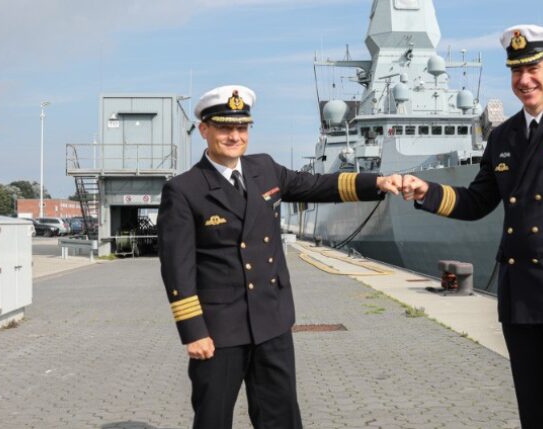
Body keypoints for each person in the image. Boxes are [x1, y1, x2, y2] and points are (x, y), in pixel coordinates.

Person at [401, 25, 543, 428]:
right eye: (516, 71)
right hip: (520, 292)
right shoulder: (503, 137)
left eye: (532, 69)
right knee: (534, 405)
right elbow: (477, 201)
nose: (524, 80)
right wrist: (426, 192)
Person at [157, 84, 402, 429]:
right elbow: (177, 268)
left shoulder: (265, 169)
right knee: (213, 419)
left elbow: (316, 185)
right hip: (219, 331)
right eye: (225, 128)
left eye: (241, 128)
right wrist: (193, 331)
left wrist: (376, 183)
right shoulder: (184, 190)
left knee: (281, 418)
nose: (234, 136)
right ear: (204, 130)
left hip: (272, 323)